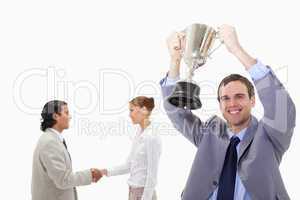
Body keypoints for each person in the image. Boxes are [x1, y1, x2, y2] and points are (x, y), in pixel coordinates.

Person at [160, 25, 296, 199]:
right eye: (225, 98)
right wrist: (175, 60)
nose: (232, 103)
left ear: (252, 100)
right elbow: (177, 114)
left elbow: (282, 108)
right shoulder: (209, 133)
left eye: (239, 96)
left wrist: (236, 50)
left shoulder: (270, 135)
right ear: (220, 103)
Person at [31, 100, 103, 200]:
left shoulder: (52, 139)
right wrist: (90, 175)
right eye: (66, 113)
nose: (70, 117)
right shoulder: (50, 143)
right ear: (55, 116)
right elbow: (63, 180)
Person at [100, 96, 162, 200]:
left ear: (144, 110)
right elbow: (129, 165)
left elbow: (152, 176)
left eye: (132, 110)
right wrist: (105, 171)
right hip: (133, 192)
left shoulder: (152, 138)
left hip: (143, 194)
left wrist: (145, 198)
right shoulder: (139, 133)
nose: (129, 115)